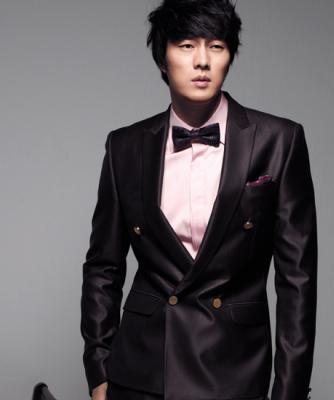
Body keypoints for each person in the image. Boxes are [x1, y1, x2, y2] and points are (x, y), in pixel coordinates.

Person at [80, 1, 318, 400]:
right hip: (141, 374)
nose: (202, 61)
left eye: (216, 46)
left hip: (234, 372)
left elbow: (298, 280)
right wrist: (99, 369)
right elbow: (103, 266)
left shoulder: (279, 140)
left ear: (229, 56)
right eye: (187, 45)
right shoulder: (124, 146)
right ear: (163, 57)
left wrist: (288, 391)